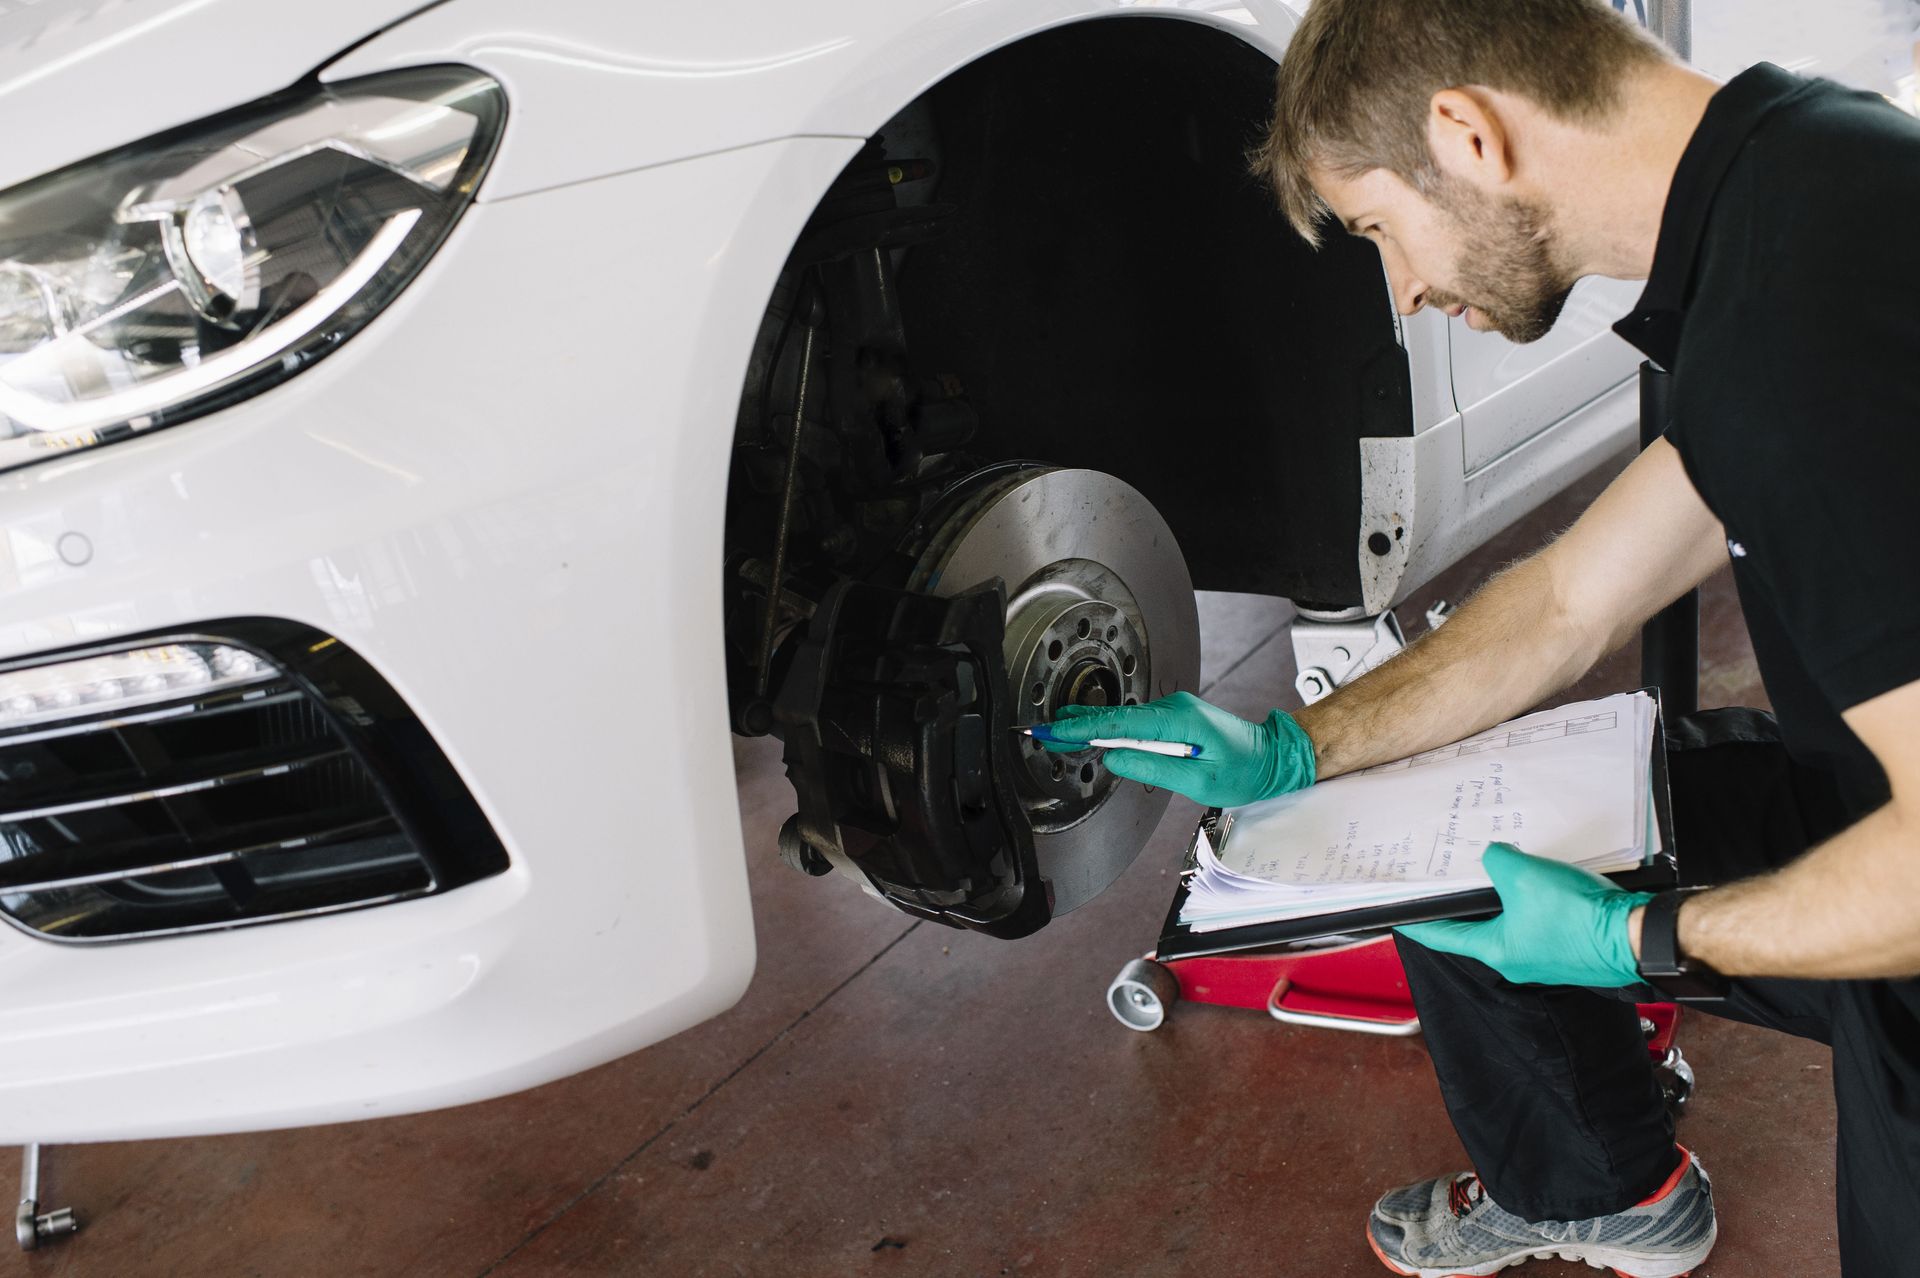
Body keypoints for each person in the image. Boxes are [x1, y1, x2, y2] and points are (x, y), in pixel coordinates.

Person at [1041, 1, 1920, 1273]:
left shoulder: (1803, 339)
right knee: (1441, 832)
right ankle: (1601, 1185)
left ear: (1466, 134)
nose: (1399, 288)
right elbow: (1571, 597)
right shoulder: (1798, 181)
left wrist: (1639, 944)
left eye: (1381, 231)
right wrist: (1295, 750)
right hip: (1869, 794)